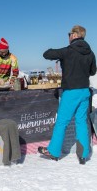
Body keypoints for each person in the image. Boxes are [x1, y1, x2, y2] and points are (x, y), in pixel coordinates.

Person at [38, 25, 96, 165]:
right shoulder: (90, 53)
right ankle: (83, 154)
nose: (68, 36)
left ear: (75, 35)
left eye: (69, 34)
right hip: (84, 91)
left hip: (71, 91)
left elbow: (46, 54)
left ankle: (53, 151)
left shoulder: (68, 51)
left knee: (62, 122)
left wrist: (62, 55)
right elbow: (93, 71)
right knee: (81, 121)